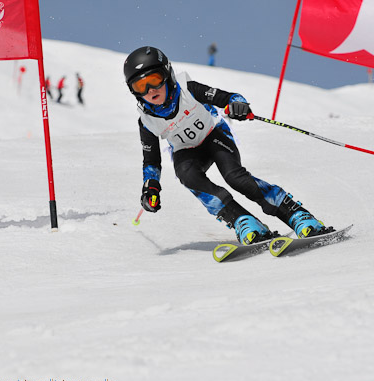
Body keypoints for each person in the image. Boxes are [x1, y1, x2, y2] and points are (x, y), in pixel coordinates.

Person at [123, 46, 334, 245]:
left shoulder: (188, 90)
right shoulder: (147, 121)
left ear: (167, 74)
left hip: (214, 135)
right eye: (140, 86)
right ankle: (244, 221)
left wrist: (237, 104)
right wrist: (151, 186)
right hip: (187, 151)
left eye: (155, 80)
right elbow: (151, 161)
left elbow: (228, 97)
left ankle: (296, 214)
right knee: (187, 175)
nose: (150, 90)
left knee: (235, 177)